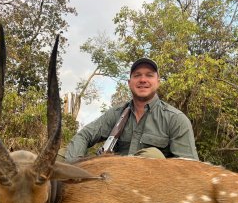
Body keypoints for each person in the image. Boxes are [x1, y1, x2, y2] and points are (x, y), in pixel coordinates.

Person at [63, 58, 199, 163]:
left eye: (149, 75)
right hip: (112, 177)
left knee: (152, 156)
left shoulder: (176, 119)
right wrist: (74, 165)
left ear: (158, 82)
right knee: (62, 155)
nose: (143, 80)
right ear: (129, 83)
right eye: (137, 75)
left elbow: (190, 169)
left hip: (151, 192)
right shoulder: (116, 113)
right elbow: (84, 135)